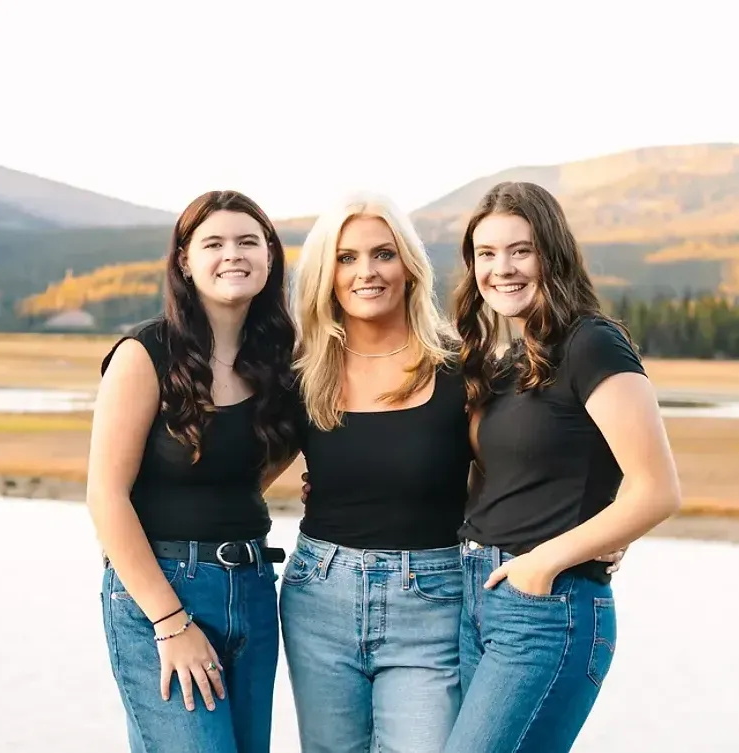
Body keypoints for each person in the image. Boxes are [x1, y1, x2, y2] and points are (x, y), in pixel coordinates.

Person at [444, 181, 681, 753]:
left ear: (552, 252)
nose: (502, 268)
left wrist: (543, 563)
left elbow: (657, 489)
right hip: (478, 596)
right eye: (486, 254)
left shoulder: (592, 344)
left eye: (520, 250)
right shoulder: (506, 360)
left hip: (549, 609)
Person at [86, 190, 297, 753]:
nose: (234, 254)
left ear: (271, 257)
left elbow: (256, 469)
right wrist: (171, 623)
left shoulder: (280, 358)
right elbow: (105, 495)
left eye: (249, 241)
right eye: (214, 243)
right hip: (162, 592)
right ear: (184, 259)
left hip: (252, 587)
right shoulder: (144, 353)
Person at [279, 192, 473, 753]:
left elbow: (523, 467)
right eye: (346, 258)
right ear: (326, 274)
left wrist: (590, 537)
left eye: (383, 254)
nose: (366, 272)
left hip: (431, 600)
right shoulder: (303, 374)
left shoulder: (460, 367)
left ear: (409, 268)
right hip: (318, 596)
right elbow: (239, 478)